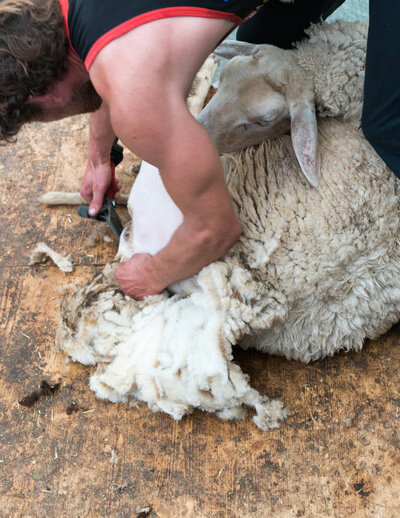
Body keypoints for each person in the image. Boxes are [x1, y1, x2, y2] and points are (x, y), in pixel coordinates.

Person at [3, 0, 390, 302]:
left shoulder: (136, 100)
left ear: (45, 96)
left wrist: (151, 275)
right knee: (262, 40)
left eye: (40, 116)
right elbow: (110, 66)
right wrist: (99, 156)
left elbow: (215, 229)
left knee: (387, 126)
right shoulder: (71, 12)